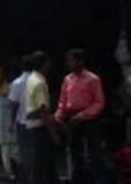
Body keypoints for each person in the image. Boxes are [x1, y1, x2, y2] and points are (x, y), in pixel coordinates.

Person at [55, 48, 107, 184]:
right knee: (74, 152)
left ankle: (98, 179)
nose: (68, 64)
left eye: (71, 61)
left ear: (80, 62)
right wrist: (59, 116)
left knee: (94, 152)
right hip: (72, 118)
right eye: (68, 61)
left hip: (89, 118)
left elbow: (99, 102)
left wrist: (83, 115)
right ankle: (80, 180)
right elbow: (63, 101)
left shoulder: (93, 79)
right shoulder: (67, 79)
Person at [23, 51, 59, 184]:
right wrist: (53, 133)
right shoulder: (39, 82)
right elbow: (43, 110)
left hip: (33, 127)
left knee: (45, 165)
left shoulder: (32, 78)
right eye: (48, 64)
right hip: (40, 128)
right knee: (42, 167)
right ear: (44, 65)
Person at [0, 67, 18, 180]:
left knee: (16, 153)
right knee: (5, 153)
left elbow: (16, 107)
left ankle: (19, 174)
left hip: (13, 126)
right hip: (1, 127)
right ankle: (10, 175)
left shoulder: (12, 89)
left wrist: (12, 123)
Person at [9, 54, 33, 183]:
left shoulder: (17, 83)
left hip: (22, 123)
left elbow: (14, 105)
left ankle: (25, 179)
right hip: (36, 123)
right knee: (34, 154)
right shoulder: (38, 81)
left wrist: (11, 123)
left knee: (23, 154)